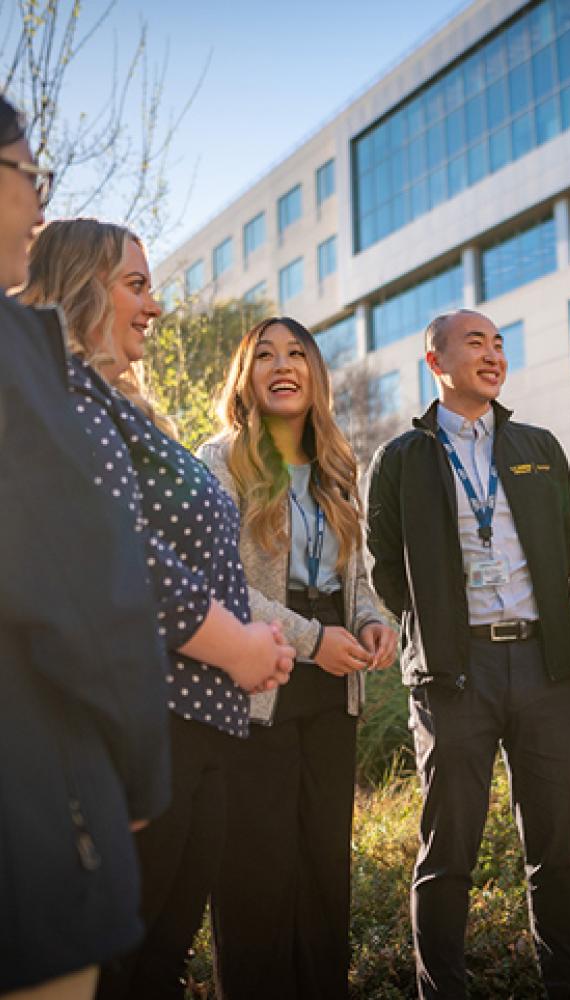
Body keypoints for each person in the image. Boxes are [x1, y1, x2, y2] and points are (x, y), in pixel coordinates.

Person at [20, 218, 295, 1000]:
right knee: (122, 971)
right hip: (146, 727)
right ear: (80, 286)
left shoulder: (129, 411)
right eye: (136, 285)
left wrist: (256, 638)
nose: (156, 307)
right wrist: (239, 646)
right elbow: (121, 553)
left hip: (202, 728)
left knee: (159, 967)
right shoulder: (63, 398)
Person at [0, 96, 170, 1000]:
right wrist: (138, 777)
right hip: (29, 811)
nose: (37, 204)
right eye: (28, 176)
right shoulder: (23, 362)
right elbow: (88, 582)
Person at [366, 309, 570, 1000]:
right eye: (475, 343)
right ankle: (443, 992)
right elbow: (384, 568)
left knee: (557, 849)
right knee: (447, 851)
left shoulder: (538, 445)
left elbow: (563, 541)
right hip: (454, 675)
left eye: (499, 344)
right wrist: (435, 629)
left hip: (545, 666)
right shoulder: (401, 457)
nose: (493, 354)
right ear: (436, 362)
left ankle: (564, 985)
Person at [197, 316, 395, 999]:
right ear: (245, 377)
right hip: (259, 689)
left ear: (315, 372)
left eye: (297, 354)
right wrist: (313, 641)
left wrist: (373, 625)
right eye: (266, 356)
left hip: (332, 697)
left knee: (321, 874)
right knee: (255, 875)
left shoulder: (338, 467)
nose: (284, 365)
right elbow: (222, 586)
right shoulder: (219, 461)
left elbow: (357, 582)